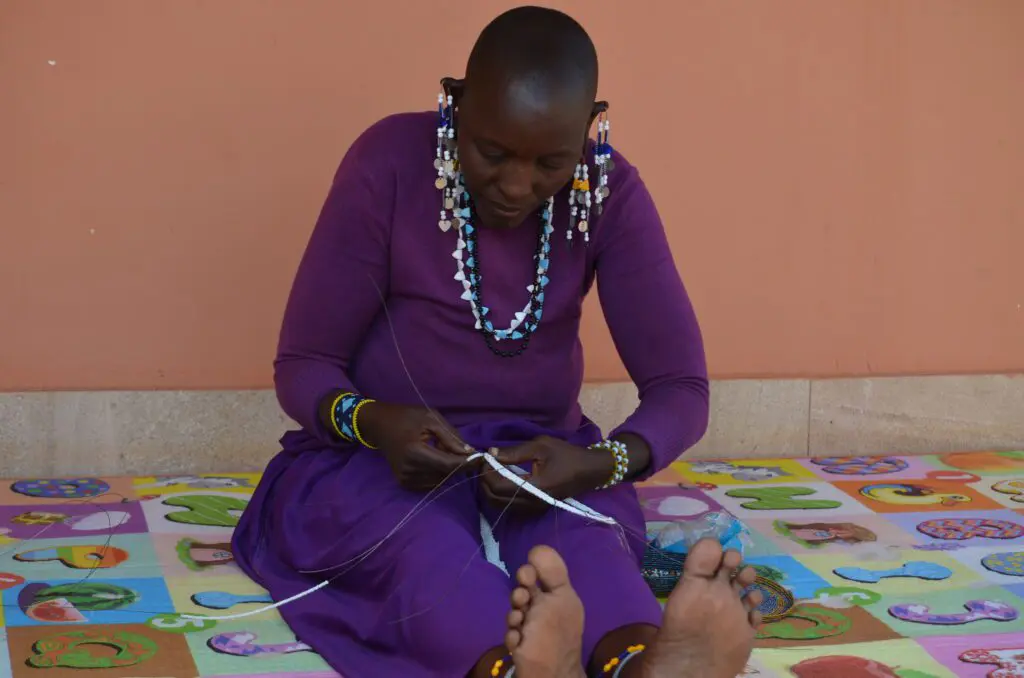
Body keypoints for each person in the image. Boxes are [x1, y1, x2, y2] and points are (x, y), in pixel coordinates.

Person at [233, 6, 761, 677]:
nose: (517, 186)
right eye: (491, 152)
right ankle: (514, 668)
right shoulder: (388, 162)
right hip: (378, 454)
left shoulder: (607, 190)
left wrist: (598, 465)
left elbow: (681, 389)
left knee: (583, 540)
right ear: (453, 101)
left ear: (591, 125)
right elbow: (305, 364)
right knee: (419, 551)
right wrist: (372, 421)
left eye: (551, 162)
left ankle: (645, 662)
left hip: (545, 457)